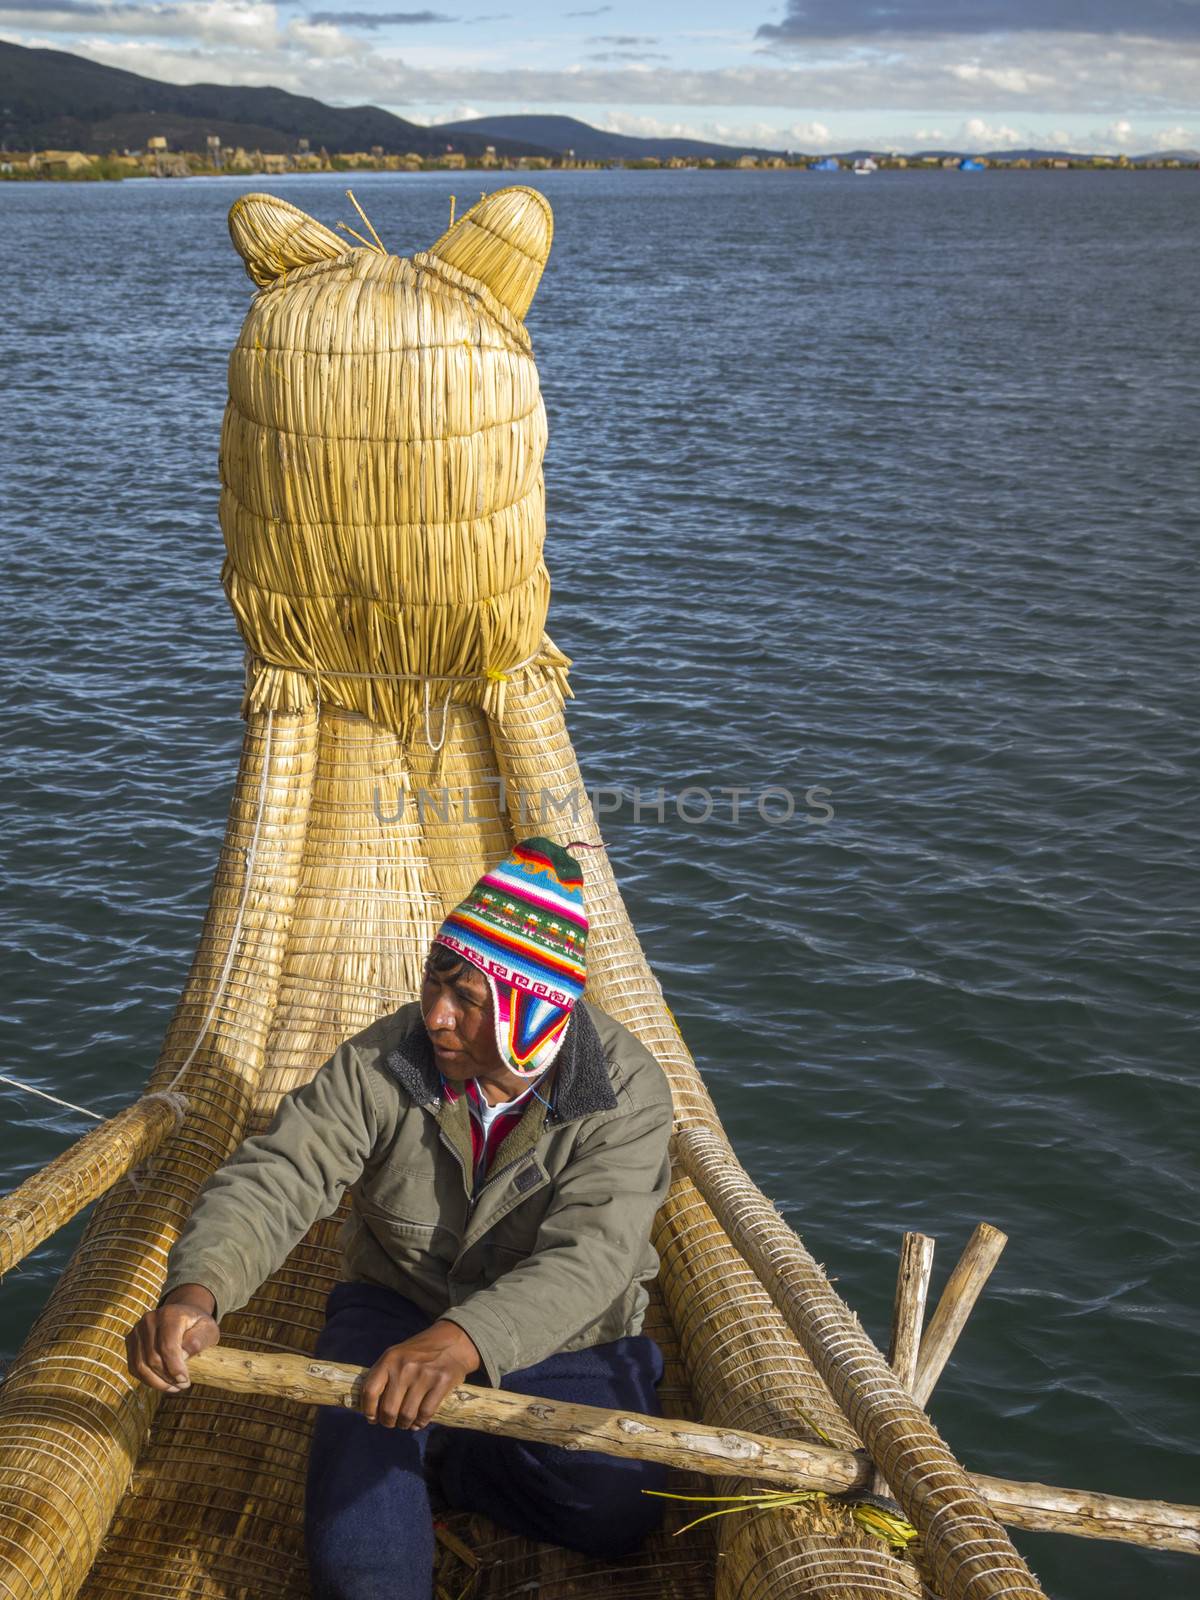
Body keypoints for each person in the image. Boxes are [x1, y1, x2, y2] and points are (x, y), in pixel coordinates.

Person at [125, 836, 676, 1599]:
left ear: (533, 1008)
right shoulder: (385, 1060)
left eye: (468, 1001)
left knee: (614, 1511)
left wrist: (460, 1344)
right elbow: (283, 1173)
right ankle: (416, 1443)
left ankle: (449, 1447)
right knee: (360, 1568)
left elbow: (595, 1256)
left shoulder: (625, 1094)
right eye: (432, 982)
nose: (436, 1016)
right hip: (397, 1306)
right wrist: (198, 1291)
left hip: (561, 1335)